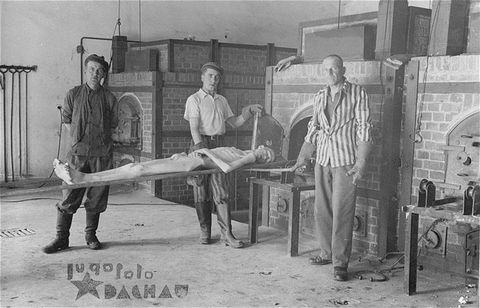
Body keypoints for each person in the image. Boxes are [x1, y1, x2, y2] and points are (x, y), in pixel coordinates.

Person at [290, 55, 373, 281]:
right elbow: (313, 129)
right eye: (326, 70)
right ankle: (326, 252)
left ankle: (340, 263)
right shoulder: (319, 96)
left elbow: (364, 129)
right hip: (323, 159)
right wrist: (302, 158)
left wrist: (361, 163)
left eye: (334, 69)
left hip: (345, 162)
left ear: (343, 70)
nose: (330, 74)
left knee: (342, 211)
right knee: (322, 209)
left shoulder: (358, 93)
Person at [43, 54, 118, 254]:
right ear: (86, 71)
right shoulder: (73, 94)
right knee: (69, 194)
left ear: (103, 74)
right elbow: (67, 119)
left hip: (102, 155)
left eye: (100, 70)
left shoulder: (110, 98)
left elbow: (114, 125)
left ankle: (90, 236)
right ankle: (61, 238)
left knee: (97, 196)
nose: (96, 73)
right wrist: (79, 141)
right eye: (92, 69)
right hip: (78, 154)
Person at [184, 62, 263, 248]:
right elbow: (194, 129)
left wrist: (248, 112)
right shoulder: (194, 99)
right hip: (200, 144)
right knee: (201, 191)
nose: (214, 80)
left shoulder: (221, 100)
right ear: (202, 77)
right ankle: (205, 231)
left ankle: (226, 234)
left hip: (218, 145)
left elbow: (235, 122)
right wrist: (201, 149)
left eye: (217, 77)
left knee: (222, 191)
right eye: (210, 76)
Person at [53, 145, 275, 185]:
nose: (263, 155)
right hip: (190, 159)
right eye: (266, 153)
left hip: (195, 163)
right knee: (136, 168)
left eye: (266, 158)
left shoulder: (250, 157)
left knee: (138, 170)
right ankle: (81, 176)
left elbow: (226, 168)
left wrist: (206, 151)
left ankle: (82, 178)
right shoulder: (243, 150)